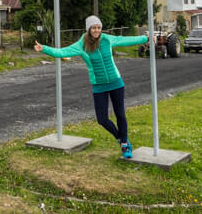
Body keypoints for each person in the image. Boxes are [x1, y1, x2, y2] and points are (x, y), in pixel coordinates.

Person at [35, 15, 148, 159]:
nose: (96, 30)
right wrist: (44, 48)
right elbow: (62, 52)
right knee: (102, 119)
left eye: (99, 27)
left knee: (120, 114)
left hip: (116, 82)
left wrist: (145, 39)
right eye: (93, 28)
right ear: (88, 29)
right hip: (99, 85)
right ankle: (120, 138)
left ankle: (125, 144)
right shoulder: (82, 44)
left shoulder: (107, 39)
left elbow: (125, 40)